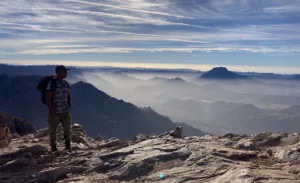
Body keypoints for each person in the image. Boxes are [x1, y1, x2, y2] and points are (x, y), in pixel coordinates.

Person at [46, 65, 72, 152]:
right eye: (65, 71)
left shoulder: (66, 83)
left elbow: (68, 95)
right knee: (53, 130)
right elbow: (48, 97)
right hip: (55, 112)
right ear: (58, 73)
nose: (66, 73)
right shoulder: (52, 83)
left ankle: (68, 147)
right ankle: (54, 148)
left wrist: (69, 106)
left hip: (65, 111)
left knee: (67, 129)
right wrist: (50, 110)